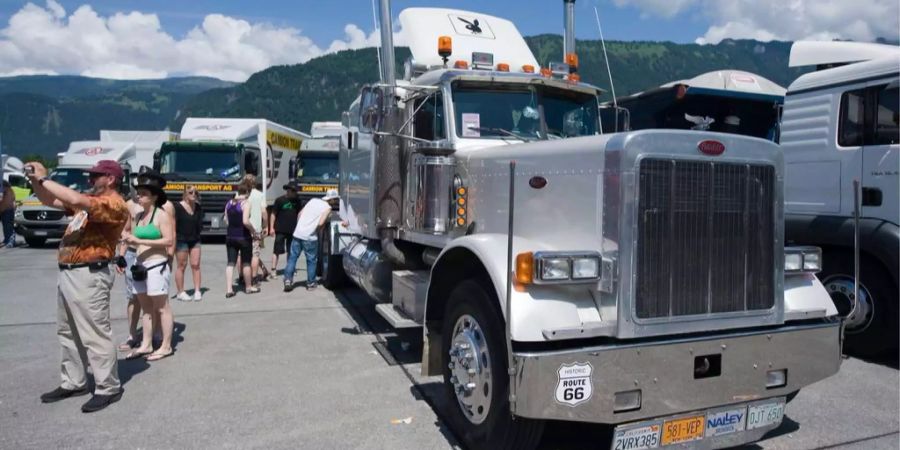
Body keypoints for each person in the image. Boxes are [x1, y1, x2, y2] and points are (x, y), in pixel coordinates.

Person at [28, 159, 128, 413]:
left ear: (111, 179)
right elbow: (51, 200)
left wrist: (44, 178)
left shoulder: (114, 203)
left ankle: (108, 387)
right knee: (68, 332)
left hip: (90, 275)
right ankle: (74, 381)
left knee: (95, 332)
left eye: (96, 176)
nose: (90, 179)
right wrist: (34, 180)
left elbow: (76, 200)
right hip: (71, 273)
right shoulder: (90, 202)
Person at [121, 169, 175, 362]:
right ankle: (146, 343)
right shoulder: (138, 217)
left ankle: (166, 345)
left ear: (154, 197)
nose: (139, 197)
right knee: (145, 308)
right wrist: (127, 241)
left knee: (161, 306)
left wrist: (139, 240)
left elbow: (168, 241)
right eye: (138, 193)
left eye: (144, 194)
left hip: (156, 265)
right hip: (140, 265)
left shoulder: (161, 215)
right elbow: (135, 240)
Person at [283, 189, 338, 292]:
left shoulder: (312, 200)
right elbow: (321, 223)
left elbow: (300, 214)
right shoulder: (328, 208)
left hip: (298, 234)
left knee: (293, 258)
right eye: (335, 200)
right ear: (332, 200)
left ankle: (288, 280)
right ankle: (311, 283)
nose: (335, 202)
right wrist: (316, 231)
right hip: (310, 237)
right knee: (311, 260)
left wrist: (301, 226)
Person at [115, 194, 145, 352]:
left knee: (151, 297)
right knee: (133, 297)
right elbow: (126, 230)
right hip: (131, 254)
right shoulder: (129, 204)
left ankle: (152, 334)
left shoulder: (158, 203)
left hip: (150, 254)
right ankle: (132, 335)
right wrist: (121, 256)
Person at [224, 184, 257, 297]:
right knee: (246, 262)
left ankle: (229, 289)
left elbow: (226, 220)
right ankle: (248, 287)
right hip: (243, 237)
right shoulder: (246, 203)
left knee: (230, 263)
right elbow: (245, 221)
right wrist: (253, 231)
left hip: (230, 237)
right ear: (248, 192)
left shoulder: (229, 203)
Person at [173, 185, 203, 301]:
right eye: (190, 192)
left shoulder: (198, 207)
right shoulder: (178, 207)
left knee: (196, 265)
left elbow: (199, 224)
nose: (193, 194)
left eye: (195, 192)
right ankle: (180, 292)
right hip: (181, 240)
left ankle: (197, 290)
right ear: (185, 194)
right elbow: (173, 224)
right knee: (181, 266)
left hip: (195, 239)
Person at [269, 182, 302, 277]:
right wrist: (271, 228)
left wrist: (300, 225)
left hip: (293, 230)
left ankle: (290, 268)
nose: (296, 193)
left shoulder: (297, 201)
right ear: (289, 191)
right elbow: (273, 214)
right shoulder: (279, 200)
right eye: (294, 191)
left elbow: (300, 213)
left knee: (291, 251)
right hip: (280, 229)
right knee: (276, 250)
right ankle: (273, 270)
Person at [242, 175, 270, 285]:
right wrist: (266, 225)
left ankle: (241, 277)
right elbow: (264, 212)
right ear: (255, 183)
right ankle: (253, 278)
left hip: (243, 228)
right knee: (255, 254)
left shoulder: (240, 194)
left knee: (242, 254)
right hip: (256, 229)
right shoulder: (259, 195)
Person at [0, 180, 16, 247]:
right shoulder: (10, 190)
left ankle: (10, 241)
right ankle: (7, 240)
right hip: (6, 209)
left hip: (7, 209)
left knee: (8, 226)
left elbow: (1, 199)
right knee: (7, 226)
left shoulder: (6, 190)